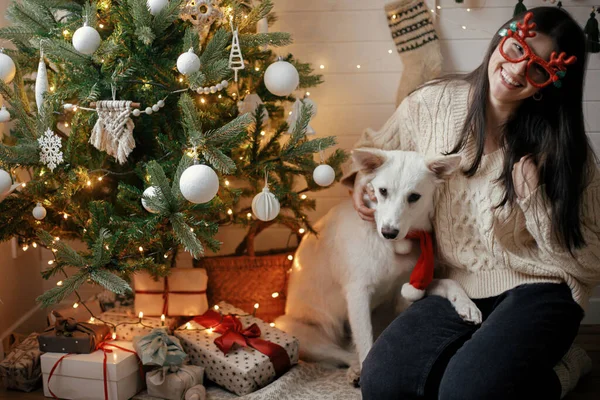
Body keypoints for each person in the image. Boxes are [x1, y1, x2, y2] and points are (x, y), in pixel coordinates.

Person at [348, 7, 600, 400]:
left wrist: (537, 206)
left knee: (467, 392)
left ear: (549, 83)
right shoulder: (430, 105)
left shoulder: (565, 150)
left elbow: (593, 262)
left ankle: (566, 366)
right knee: (382, 384)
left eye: (538, 69)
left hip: (542, 287)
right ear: (503, 38)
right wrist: (362, 184)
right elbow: (378, 148)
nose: (516, 71)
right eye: (516, 48)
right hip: (459, 284)